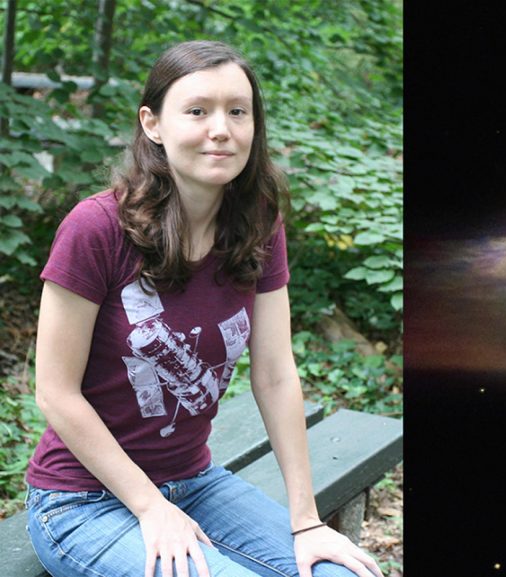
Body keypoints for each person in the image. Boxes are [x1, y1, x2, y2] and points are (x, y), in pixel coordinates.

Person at [24, 40, 384, 577]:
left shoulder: (257, 221)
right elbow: (55, 392)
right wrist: (150, 507)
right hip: (84, 502)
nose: (222, 129)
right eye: (197, 111)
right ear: (153, 124)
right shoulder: (96, 228)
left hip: (195, 484)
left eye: (238, 112)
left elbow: (276, 373)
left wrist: (306, 521)